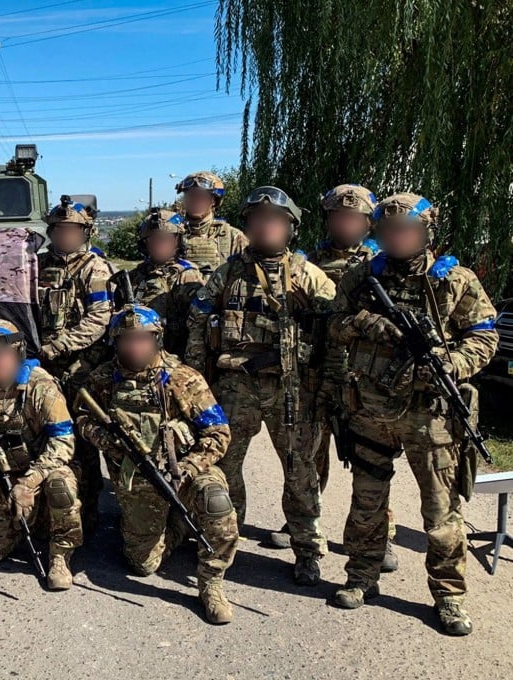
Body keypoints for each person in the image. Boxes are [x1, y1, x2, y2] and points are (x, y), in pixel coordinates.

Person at [327, 193, 497, 636]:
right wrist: (368, 323)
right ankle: (362, 577)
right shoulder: (362, 276)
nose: (398, 238)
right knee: (366, 503)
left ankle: (449, 596)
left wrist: (450, 364)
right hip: (371, 409)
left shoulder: (454, 281)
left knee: (441, 513)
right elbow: (332, 324)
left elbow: (483, 336)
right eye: (389, 232)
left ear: (425, 233)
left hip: (431, 415)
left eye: (407, 231)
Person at [184, 186, 333, 586]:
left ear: (290, 227)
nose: (266, 227)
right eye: (258, 220)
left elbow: (335, 330)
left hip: (291, 388)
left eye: (275, 220)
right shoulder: (228, 272)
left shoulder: (307, 275)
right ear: (247, 225)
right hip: (236, 387)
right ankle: (223, 541)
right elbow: (199, 321)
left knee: (300, 472)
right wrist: (198, 384)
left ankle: (307, 550)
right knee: (225, 467)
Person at [76, 304, 238, 624]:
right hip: (137, 480)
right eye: (127, 339)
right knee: (143, 565)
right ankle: (174, 525)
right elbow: (82, 417)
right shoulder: (103, 380)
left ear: (157, 339)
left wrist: (190, 467)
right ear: (116, 341)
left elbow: (219, 433)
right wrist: (107, 440)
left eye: (143, 339)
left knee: (217, 502)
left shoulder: (181, 378)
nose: (135, 346)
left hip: (184, 472)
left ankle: (211, 584)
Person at [273, 184, 398, 572]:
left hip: (364, 379)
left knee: (370, 460)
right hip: (316, 374)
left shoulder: (383, 263)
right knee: (311, 453)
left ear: (367, 223)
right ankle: (308, 525)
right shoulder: (305, 262)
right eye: (339, 217)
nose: (346, 223)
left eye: (355, 218)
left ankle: (380, 533)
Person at [0, 321, 82, 590]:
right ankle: (30, 522)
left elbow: (63, 443)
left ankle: (60, 553)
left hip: (45, 471)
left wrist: (29, 482)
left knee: (61, 485)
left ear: (17, 353)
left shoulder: (41, 386)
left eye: (2, 355)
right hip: (6, 475)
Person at [36, 195, 116, 533]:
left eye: (72, 230)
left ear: (85, 233)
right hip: (41, 364)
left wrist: (60, 345)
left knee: (82, 442)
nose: (65, 236)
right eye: (60, 230)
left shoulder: (94, 268)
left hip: (79, 367)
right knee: (42, 435)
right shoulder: (35, 264)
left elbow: (99, 318)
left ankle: (88, 508)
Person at [128, 208, 205, 356]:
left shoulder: (187, 276)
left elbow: (198, 325)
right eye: (154, 240)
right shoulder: (135, 276)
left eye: (166, 239)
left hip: (175, 356)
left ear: (178, 241)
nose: (159, 245)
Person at [176, 171, 248, 279]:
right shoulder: (172, 234)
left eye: (201, 196)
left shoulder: (233, 237)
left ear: (214, 200)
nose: (195, 200)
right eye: (191, 195)